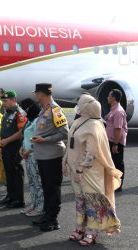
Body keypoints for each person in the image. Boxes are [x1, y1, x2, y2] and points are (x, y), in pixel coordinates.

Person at [63, 94, 122, 246]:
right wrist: (65, 161)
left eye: (80, 103)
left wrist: (81, 169)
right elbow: (70, 143)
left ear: (87, 107)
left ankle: (92, 232)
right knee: (80, 200)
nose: (78, 106)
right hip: (75, 169)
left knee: (92, 202)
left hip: (89, 172)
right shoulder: (77, 121)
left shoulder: (95, 125)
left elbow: (92, 153)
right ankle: (80, 228)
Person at [31, 83, 69, 231]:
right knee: (46, 187)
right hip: (43, 155)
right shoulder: (45, 110)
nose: (35, 96)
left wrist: (44, 140)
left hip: (51, 156)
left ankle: (53, 219)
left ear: (41, 94)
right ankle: (47, 215)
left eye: (36, 93)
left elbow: (64, 133)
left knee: (52, 188)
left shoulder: (55, 110)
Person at [0, 91, 28, 208]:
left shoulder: (19, 113)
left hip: (15, 146)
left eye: (5, 101)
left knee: (16, 173)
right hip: (6, 147)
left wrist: (6, 140)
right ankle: (10, 196)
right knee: (8, 172)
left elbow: (21, 133)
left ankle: (19, 199)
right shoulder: (7, 112)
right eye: (3, 101)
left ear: (13, 100)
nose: (3, 103)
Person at [19, 98, 44, 217]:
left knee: (38, 182)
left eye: (24, 108)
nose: (23, 111)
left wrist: (28, 151)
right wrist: (22, 149)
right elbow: (25, 136)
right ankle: (34, 204)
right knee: (32, 182)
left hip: (34, 155)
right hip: (27, 155)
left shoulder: (38, 120)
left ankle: (40, 207)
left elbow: (38, 140)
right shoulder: (29, 121)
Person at [105, 89, 128, 192]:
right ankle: (113, 183)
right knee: (113, 163)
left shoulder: (118, 111)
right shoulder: (113, 109)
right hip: (111, 140)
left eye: (109, 95)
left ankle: (118, 186)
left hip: (116, 142)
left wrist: (115, 144)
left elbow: (118, 129)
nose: (107, 97)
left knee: (118, 163)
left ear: (114, 97)